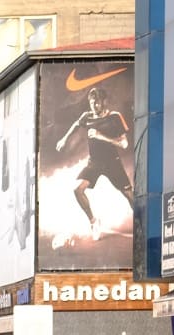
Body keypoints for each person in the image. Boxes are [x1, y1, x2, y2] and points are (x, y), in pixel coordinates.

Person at [55, 86, 133, 241]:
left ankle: (142, 221)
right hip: (94, 163)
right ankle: (94, 221)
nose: (95, 106)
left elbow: (124, 144)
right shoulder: (87, 116)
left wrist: (100, 135)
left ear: (104, 102)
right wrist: (64, 139)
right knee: (77, 190)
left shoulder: (114, 117)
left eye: (97, 103)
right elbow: (76, 125)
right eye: (92, 103)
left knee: (130, 195)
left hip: (112, 163)